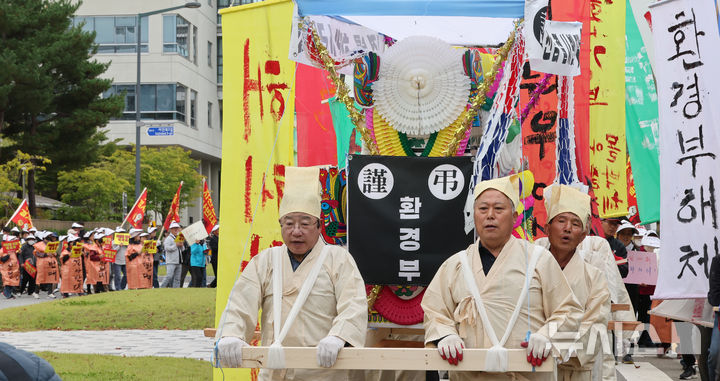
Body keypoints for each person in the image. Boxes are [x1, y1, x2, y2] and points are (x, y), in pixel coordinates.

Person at [421, 175, 583, 381]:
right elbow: (435, 311)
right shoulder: (456, 264)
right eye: (482, 209)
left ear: (515, 217)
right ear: (474, 215)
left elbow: (568, 310)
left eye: (498, 209)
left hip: (525, 375)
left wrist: (546, 335)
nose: (490, 215)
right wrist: (445, 334)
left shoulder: (538, 260)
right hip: (469, 375)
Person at [216, 166, 367, 379]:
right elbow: (240, 302)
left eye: (305, 224)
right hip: (276, 370)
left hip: (325, 371)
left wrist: (338, 337)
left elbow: (354, 304)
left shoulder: (338, 259)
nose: (296, 231)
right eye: (289, 224)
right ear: (280, 225)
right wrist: (231, 334)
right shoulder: (265, 260)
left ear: (320, 226)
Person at [534, 185, 611, 381]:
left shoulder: (594, 277)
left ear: (583, 235)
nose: (568, 228)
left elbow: (596, 326)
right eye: (561, 221)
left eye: (575, 223)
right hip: (530, 366)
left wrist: (555, 347)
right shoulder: (528, 266)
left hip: (573, 371)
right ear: (547, 228)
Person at [34, 232, 59, 299]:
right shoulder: (39, 245)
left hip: (51, 263)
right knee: (40, 277)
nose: (49, 238)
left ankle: (50, 292)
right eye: (48, 237)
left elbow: (55, 252)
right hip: (42, 263)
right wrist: (46, 254)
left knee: (51, 277)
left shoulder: (52, 244)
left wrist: (54, 254)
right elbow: (37, 253)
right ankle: (36, 292)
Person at [161, 222, 183, 288]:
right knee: (169, 276)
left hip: (179, 260)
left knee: (177, 278)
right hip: (171, 261)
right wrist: (176, 245)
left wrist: (181, 245)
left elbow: (182, 249)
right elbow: (167, 248)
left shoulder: (179, 238)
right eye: (174, 228)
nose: (176, 230)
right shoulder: (168, 238)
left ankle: (176, 290)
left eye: (177, 228)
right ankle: (162, 287)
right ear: (171, 229)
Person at [111, 227, 128, 291]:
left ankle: (122, 287)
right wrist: (119, 246)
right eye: (120, 233)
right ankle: (118, 288)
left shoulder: (126, 242)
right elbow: (113, 251)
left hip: (124, 261)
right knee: (117, 276)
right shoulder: (113, 242)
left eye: (123, 233)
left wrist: (126, 245)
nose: (122, 234)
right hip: (116, 261)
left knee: (126, 275)